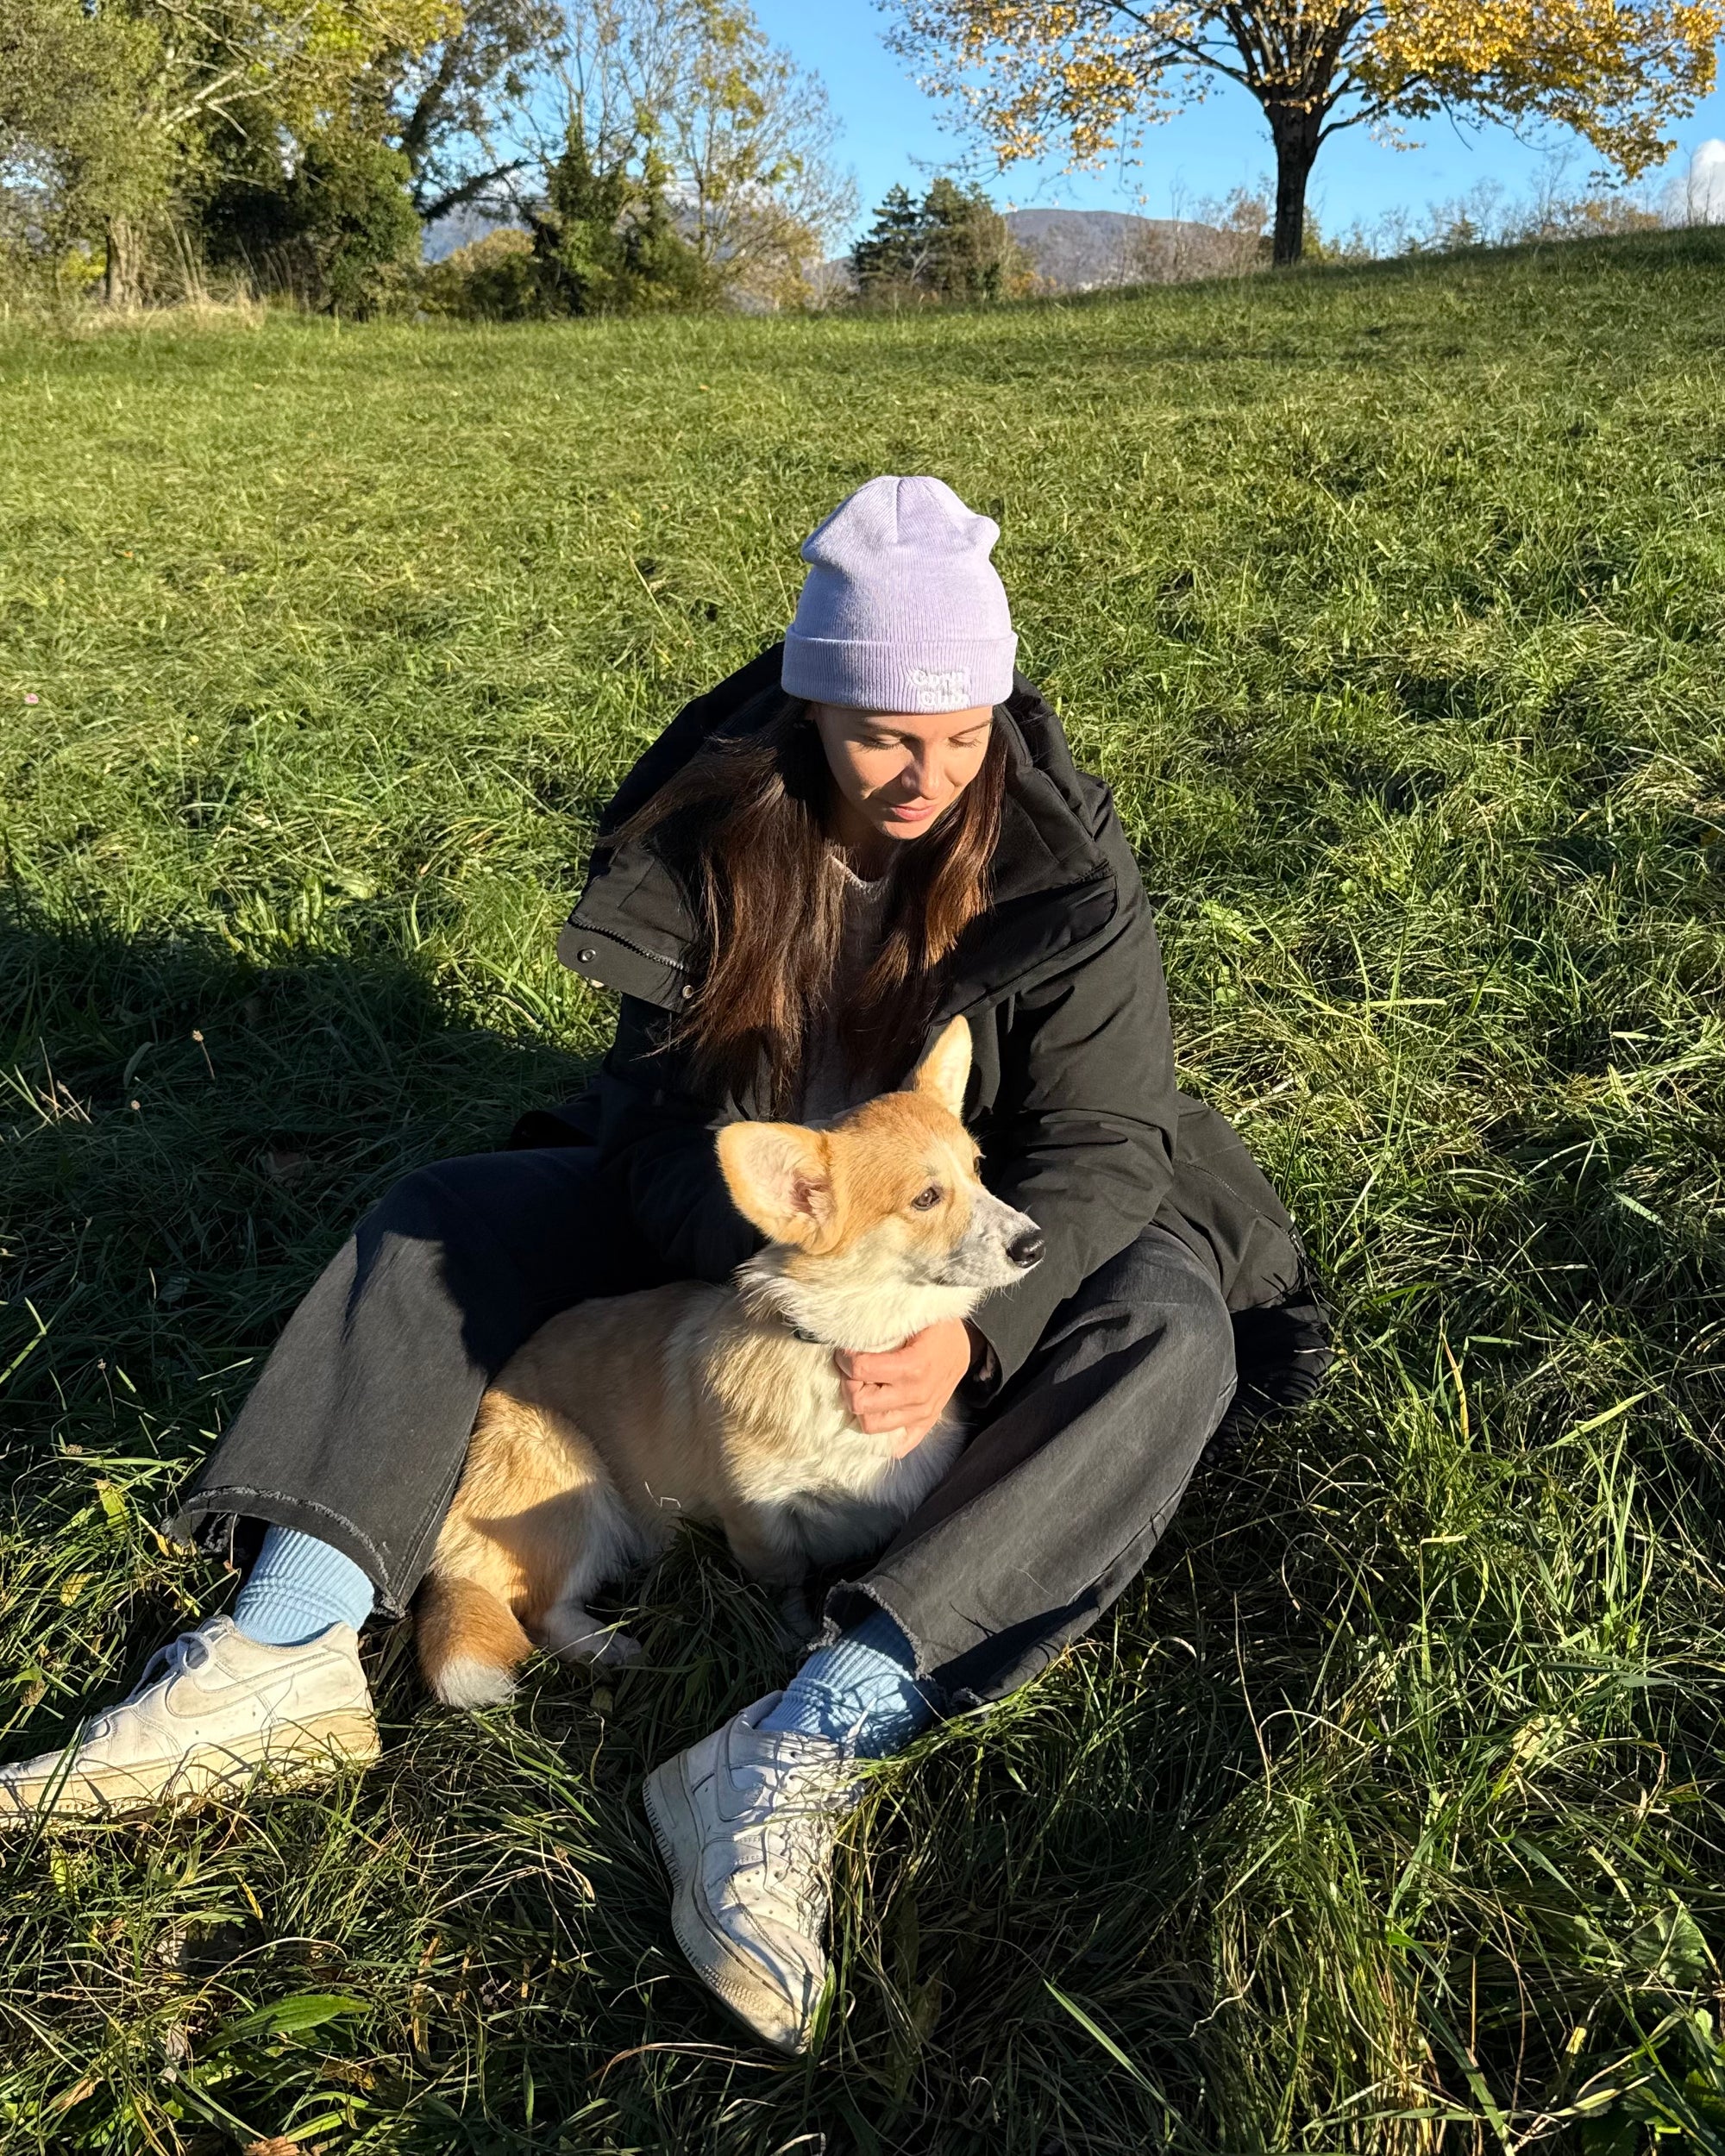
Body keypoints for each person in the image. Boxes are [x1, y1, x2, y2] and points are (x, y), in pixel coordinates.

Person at [0, 476, 1328, 2053]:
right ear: (814, 705)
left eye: (965, 733)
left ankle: (812, 1729)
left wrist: (973, 1332)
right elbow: (646, 1134)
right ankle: (286, 1644)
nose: (929, 775)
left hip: (1012, 1210)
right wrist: (791, 1271)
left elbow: (1107, 1143)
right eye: (885, 735)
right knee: (449, 1211)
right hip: (759, 1216)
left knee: (1172, 1328)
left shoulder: (1061, 859)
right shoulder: (709, 832)